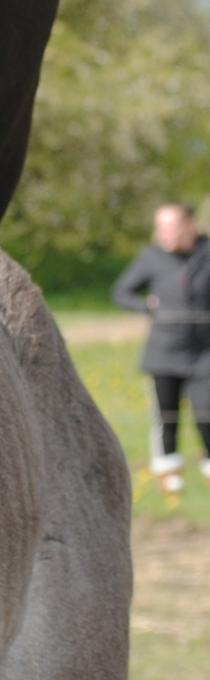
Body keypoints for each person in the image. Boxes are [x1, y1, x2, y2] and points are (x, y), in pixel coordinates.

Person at [113, 203, 210, 493]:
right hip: (164, 352)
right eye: (161, 228)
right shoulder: (151, 257)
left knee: (206, 411)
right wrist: (146, 305)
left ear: (189, 226)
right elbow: (121, 292)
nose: (164, 233)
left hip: (204, 353)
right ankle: (168, 472)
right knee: (166, 416)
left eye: (171, 227)